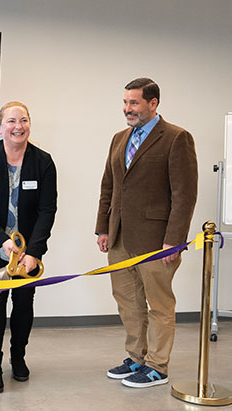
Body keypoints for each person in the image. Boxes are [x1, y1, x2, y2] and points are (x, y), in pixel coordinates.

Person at [95, 78, 198, 388]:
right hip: (119, 236)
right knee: (128, 301)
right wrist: (102, 226)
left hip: (157, 240)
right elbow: (109, 185)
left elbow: (184, 194)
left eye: (134, 103)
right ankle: (137, 357)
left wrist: (174, 240)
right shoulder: (119, 138)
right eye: (126, 102)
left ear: (153, 104)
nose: (128, 109)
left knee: (159, 304)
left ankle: (157, 366)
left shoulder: (176, 138)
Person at [0, 101, 57, 393]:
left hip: (28, 253)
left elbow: (47, 210)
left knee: (23, 304)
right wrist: (3, 241)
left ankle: (18, 358)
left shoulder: (43, 162)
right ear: (0, 126)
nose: (18, 126)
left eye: (24, 120)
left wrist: (33, 252)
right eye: (11, 121)